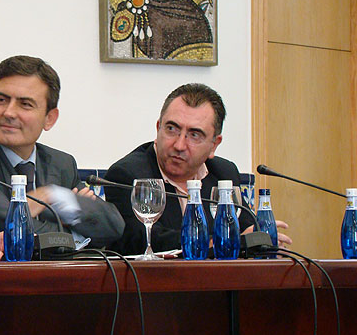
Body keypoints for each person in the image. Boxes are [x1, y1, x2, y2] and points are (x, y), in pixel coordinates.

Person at [0, 55, 125, 261]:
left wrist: (54, 195)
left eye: (25, 104)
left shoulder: (62, 164)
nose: (9, 112)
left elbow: (113, 228)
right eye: (1, 100)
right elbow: (15, 226)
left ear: (50, 118)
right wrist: (73, 226)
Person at [104, 83, 291, 256]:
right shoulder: (128, 175)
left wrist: (260, 237)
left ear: (214, 145)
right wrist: (231, 241)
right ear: (158, 128)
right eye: (171, 129)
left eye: (194, 135)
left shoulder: (223, 174)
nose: (179, 145)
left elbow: (246, 229)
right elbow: (148, 241)